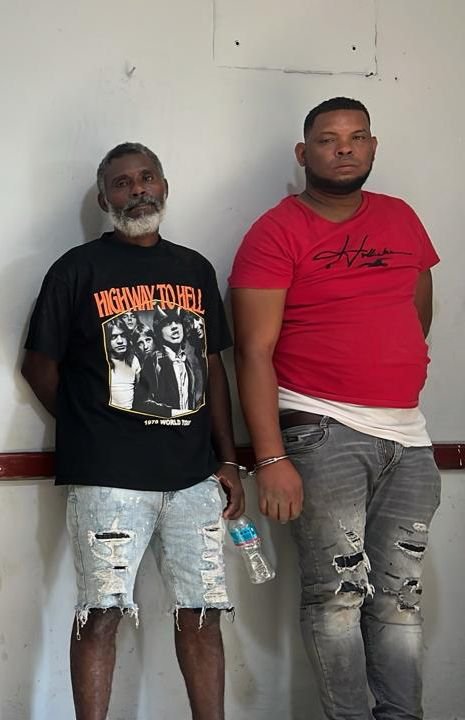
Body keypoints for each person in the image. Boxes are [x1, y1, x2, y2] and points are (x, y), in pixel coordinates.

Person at [229, 97, 441, 720]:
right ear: (304, 153)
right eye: (327, 139)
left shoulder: (402, 218)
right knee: (338, 596)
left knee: (400, 598)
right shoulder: (276, 231)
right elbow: (252, 351)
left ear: (373, 146)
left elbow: (417, 314)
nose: (344, 147)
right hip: (321, 430)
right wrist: (271, 457)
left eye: (356, 136)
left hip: (408, 435)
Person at [21, 141, 244, 720]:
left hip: (194, 475)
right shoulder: (76, 269)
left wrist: (227, 458)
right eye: (122, 183)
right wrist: (89, 427)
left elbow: (212, 366)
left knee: (202, 613)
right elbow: (39, 366)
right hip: (108, 479)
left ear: (164, 187)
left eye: (147, 178)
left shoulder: (194, 268)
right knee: (100, 614)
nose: (137, 189)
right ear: (104, 200)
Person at [105, 317, 141, 409]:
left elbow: (138, 387)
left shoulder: (134, 360)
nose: (120, 341)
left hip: (129, 413)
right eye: (113, 337)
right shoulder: (101, 362)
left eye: (123, 335)